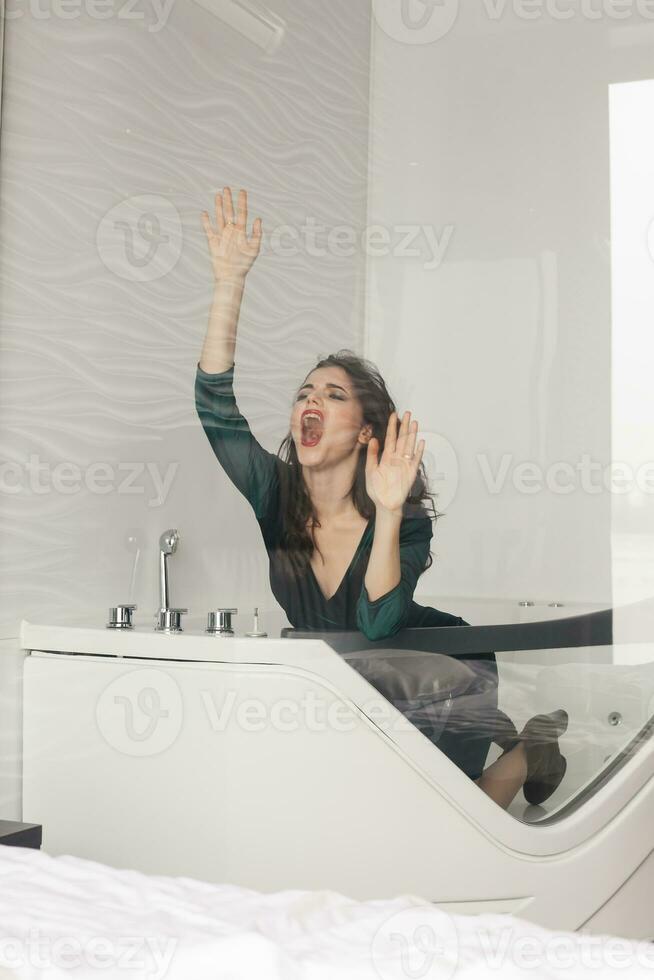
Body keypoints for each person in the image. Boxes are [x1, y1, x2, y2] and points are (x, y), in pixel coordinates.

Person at [195, 186, 568, 811]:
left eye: (335, 396)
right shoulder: (274, 495)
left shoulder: (405, 519)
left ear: (366, 432)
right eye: (305, 392)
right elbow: (215, 408)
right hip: (350, 684)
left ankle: (530, 747)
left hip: (441, 668)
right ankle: (518, 744)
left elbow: (376, 625)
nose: (311, 400)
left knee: (455, 814)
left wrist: (390, 509)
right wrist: (229, 282)